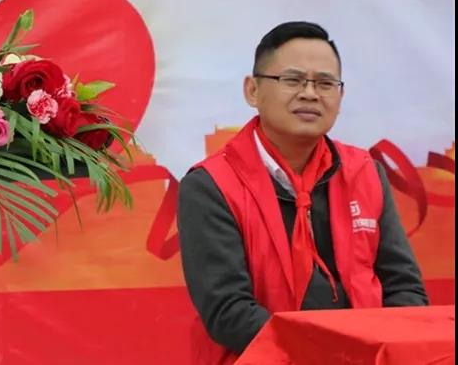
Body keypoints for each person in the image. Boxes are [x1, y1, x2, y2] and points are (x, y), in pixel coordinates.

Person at [177, 21, 428, 363]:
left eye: (325, 83)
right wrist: (331, 356)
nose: (310, 94)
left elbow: (404, 288)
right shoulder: (210, 185)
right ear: (253, 90)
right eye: (292, 80)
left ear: (340, 96)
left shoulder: (365, 173)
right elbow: (229, 311)